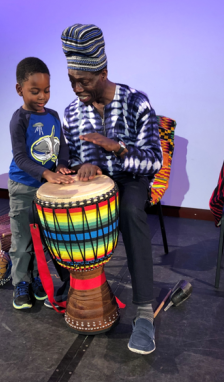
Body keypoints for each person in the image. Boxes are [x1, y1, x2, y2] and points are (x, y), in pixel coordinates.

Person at [59, 24, 163, 354]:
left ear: (103, 72)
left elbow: (154, 162)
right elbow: (74, 158)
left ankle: (144, 313)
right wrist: (79, 167)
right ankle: (74, 285)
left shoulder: (136, 103)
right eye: (72, 80)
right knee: (41, 211)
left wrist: (116, 148)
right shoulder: (72, 113)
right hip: (97, 182)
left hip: (131, 179)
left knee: (131, 210)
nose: (77, 88)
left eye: (84, 81)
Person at [7, 57, 74, 310]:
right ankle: (20, 284)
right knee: (22, 240)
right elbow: (21, 157)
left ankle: (35, 279)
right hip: (23, 188)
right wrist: (46, 174)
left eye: (46, 90)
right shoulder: (19, 119)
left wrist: (61, 166)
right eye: (35, 91)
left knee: (44, 240)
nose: (42, 96)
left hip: (47, 190)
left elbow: (62, 146)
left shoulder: (54, 116)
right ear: (19, 90)